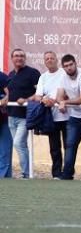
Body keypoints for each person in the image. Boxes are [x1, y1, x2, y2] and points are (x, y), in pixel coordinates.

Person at [55, 54, 81, 180]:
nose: (69, 68)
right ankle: (67, 174)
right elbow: (59, 96)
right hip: (75, 116)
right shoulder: (63, 77)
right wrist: (61, 101)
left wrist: (65, 102)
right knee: (70, 145)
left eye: (71, 64)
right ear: (63, 68)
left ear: (75, 63)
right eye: (66, 66)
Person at [5, 49, 41, 178]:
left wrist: (26, 100)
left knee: (18, 143)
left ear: (25, 58)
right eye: (16, 56)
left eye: (21, 56)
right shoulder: (10, 75)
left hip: (25, 117)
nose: (19, 58)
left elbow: (40, 93)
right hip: (11, 116)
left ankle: (26, 173)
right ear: (12, 58)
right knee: (21, 145)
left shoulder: (33, 73)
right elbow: (8, 93)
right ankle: (28, 172)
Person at [33, 51, 68, 178]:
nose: (49, 60)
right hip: (51, 117)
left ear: (56, 59)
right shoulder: (43, 77)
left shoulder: (64, 73)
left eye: (51, 58)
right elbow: (37, 96)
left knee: (68, 146)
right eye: (47, 59)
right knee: (54, 147)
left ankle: (68, 172)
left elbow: (68, 92)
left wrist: (57, 99)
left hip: (66, 116)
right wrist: (44, 100)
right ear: (44, 61)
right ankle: (57, 173)